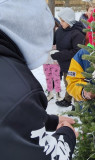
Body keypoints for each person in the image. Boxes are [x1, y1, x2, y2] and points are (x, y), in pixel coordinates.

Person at [0, 1, 78, 160]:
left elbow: (10, 120)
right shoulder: (21, 91)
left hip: (69, 65)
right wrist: (67, 135)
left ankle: (64, 97)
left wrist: (49, 121)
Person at [51, 8, 85, 107]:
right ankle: (67, 99)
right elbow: (54, 40)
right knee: (67, 83)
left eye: (63, 21)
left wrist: (58, 55)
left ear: (69, 20)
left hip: (74, 65)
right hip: (64, 64)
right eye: (60, 20)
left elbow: (76, 52)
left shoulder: (77, 33)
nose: (60, 23)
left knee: (74, 84)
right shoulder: (60, 30)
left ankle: (77, 106)